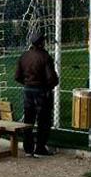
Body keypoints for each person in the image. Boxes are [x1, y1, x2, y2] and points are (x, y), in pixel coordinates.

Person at [14, 29, 59, 157]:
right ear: (41, 43)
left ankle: (28, 148)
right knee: (43, 120)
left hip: (28, 90)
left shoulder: (24, 56)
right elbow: (51, 78)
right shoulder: (45, 57)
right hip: (41, 91)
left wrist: (27, 83)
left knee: (29, 118)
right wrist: (49, 86)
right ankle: (40, 147)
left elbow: (17, 76)